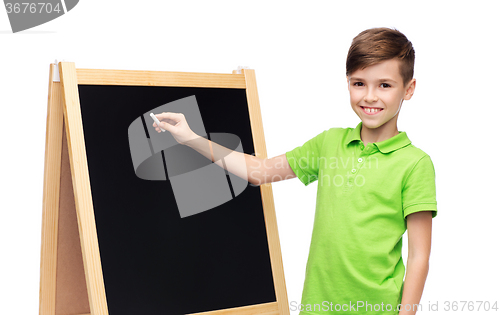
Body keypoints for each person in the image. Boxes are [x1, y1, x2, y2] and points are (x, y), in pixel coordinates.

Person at [152, 27, 437, 315]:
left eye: (385, 85)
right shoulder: (329, 143)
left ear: (408, 89)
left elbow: (418, 257)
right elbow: (260, 172)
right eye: (359, 83)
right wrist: (190, 138)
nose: (370, 96)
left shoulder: (414, 164)